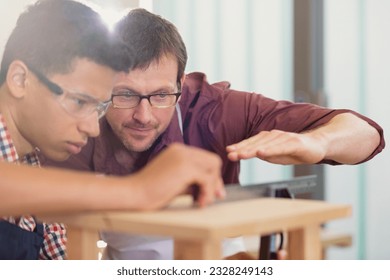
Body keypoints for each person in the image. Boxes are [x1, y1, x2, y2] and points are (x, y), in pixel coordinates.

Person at [43, 8, 385, 260]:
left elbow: (367, 134)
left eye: (162, 95)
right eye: (125, 95)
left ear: (181, 84)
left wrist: (317, 141)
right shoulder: (75, 123)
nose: (143, 116)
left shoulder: (216, 110)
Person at [0, 1, 224, 260]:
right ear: (19, 79)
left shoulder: (30, 166)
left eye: (99, 107)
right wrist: (139, 190)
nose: (93, 128)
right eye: (79, 102)